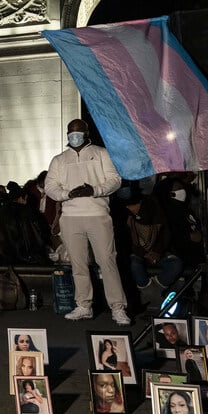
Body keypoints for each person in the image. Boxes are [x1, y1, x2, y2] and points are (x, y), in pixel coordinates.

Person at [44, 119, 131, 325]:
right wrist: (67, 194)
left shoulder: (101, 153)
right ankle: (84, 305)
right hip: (71, 218)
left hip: (98, 215)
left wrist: (95, 190)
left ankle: (118, 308)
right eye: (70, 132)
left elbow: (114, 180)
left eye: (77, 131)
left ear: (86, 132)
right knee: (78, 264)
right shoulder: (59, 159)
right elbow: (50, 186)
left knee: (107, 261)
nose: (74, 135)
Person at [123, 190, 184, 295]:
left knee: (176, 265)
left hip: (161, 252)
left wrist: (157, 251)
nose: (130, 209)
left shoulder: (156, 211)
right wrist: (143, 253)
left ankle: (156, 288)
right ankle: (148, 290)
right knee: (134, 265)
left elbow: (165, 233)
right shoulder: (128, 218)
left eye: (132, 205)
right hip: (139, 254)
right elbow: (128, 242)